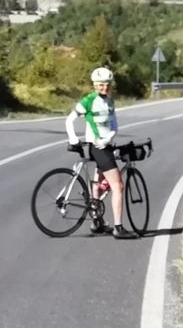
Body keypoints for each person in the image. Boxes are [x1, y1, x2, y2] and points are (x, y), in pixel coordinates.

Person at [65, 66, 138, 239]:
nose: (104, 87)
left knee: (98, 183)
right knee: (118, 186)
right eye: (100, 85)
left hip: (106, 146)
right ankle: (118, 228)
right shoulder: (88, 101)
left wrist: (109, 138)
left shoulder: (110, 101)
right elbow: (69, 120)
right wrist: (73, 139)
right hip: (98, 148)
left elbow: (114, 125)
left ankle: (97, 222)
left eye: (107, 84)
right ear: (95, 85)